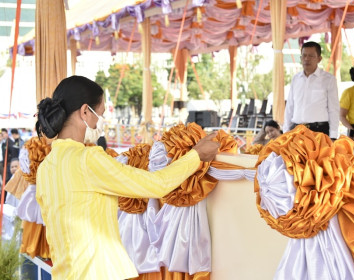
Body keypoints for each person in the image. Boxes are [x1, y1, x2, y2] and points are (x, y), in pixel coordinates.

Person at [35, 75, 220, 280]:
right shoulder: (88, 159)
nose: (99, 123)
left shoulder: (45, 167)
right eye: (100, 114)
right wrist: (196, 155)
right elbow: (156, 185)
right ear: (85, 111)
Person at [283, 41, 340, 139]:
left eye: (311, 56)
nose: (306, 59)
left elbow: (333, 110)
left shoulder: (328, 79)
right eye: (304, 55)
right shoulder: (296, 79)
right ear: (300, 58)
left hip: (319, 132)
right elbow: (290, 107)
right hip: (297, 131)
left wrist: (333, 136)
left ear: (319, 59)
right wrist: (286, 131)